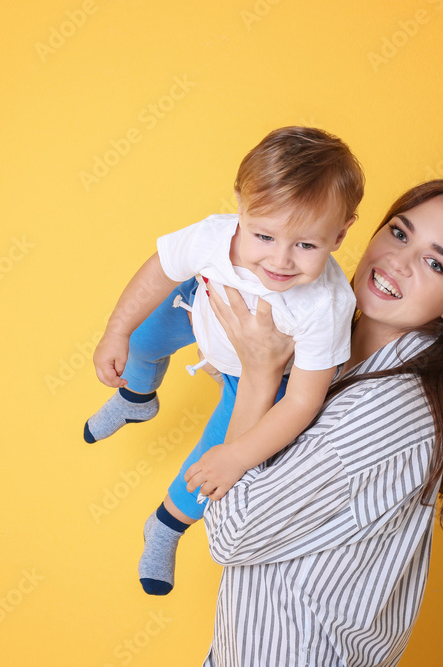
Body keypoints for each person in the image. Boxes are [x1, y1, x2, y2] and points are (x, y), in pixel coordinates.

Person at [186, 179, 443, 666]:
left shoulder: (384, 410)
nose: (398, 261)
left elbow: (232, 532)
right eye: (400, 233)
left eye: (434, 262)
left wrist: (258, 374)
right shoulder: (338, 357)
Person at [83, 127, 365, 595]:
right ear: (240, 206)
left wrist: (237, 455)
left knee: (214, 464)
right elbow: (158, 270)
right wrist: (116, 330)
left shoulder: (326, 305)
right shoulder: (214, 237)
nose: (280, 259)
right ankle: (137, 397)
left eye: (306, 245)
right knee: (139, 337)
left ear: (340, 233)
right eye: (264, 235)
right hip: (202, 307)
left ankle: (165, 526)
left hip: (260, 375)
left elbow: (301, 402)